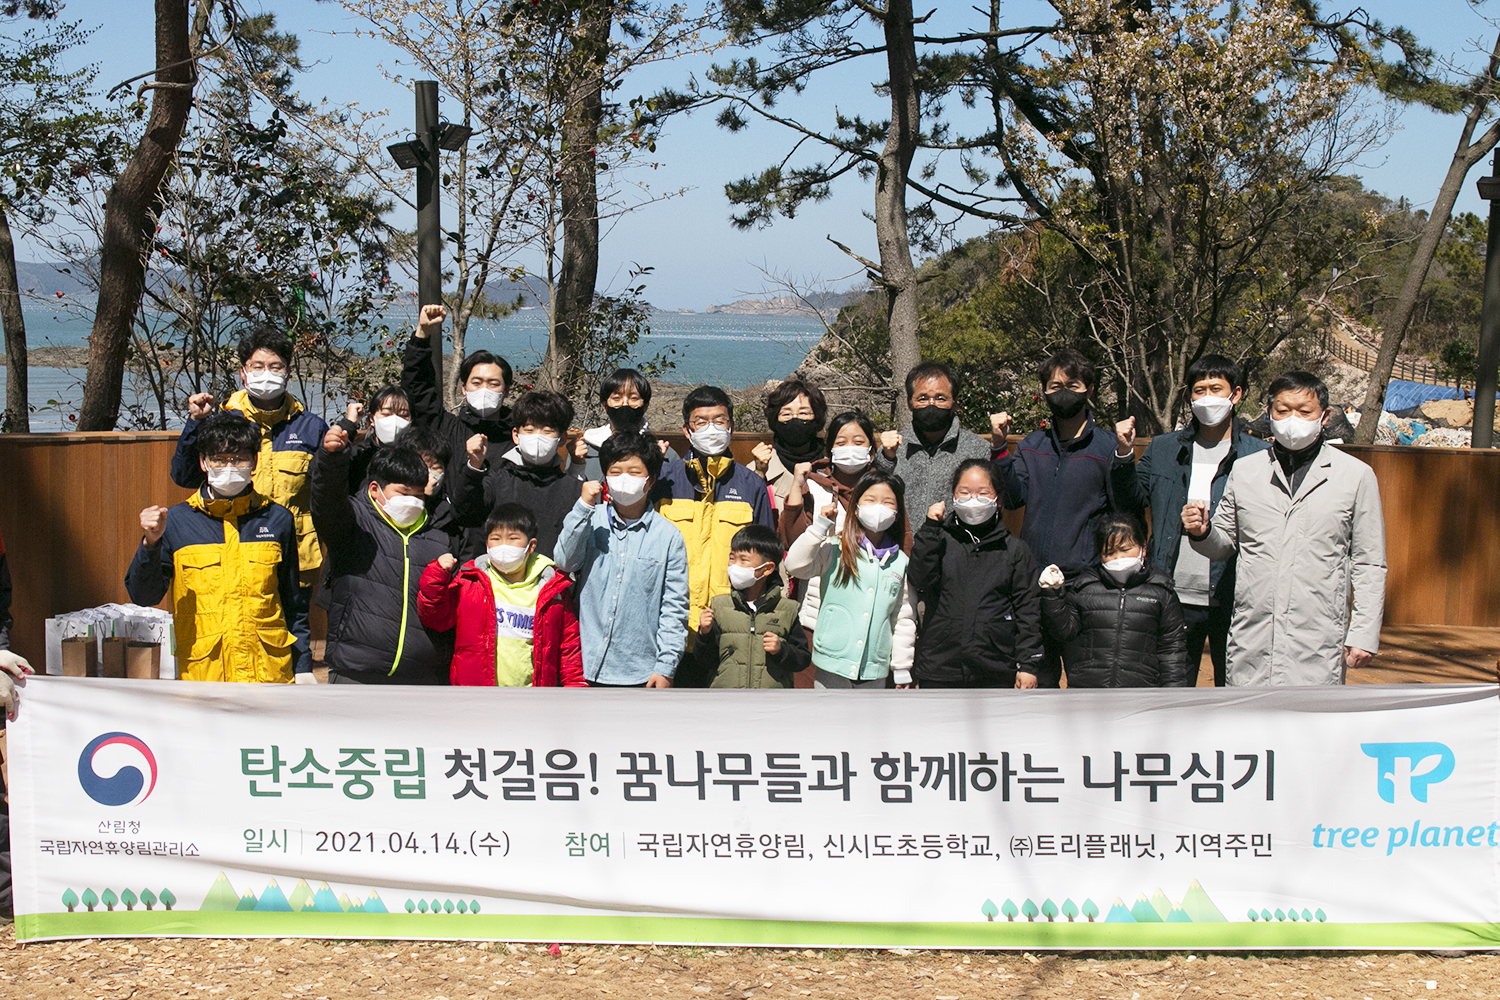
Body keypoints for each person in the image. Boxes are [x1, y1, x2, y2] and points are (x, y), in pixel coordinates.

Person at [1182, 370, 1386, 686]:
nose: (1293, 419)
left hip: (1316, 642)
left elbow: (1369, 563)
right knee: (1248, 727)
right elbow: (1223, 545)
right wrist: (1202, 532)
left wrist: (1363, 632)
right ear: (1270, 413)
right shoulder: (1246, 471)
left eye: (1304, 411)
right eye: (1283, 410)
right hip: (1253, 638)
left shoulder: (1355, 476)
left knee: (1311, 728)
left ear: (1325, 416)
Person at [170, 327, 326, 674]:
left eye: (275, 365)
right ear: (243, 371)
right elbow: (184, 476)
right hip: (230, 546)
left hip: (292, 549)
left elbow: (328, 492)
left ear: (288, 371)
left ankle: (297, 677)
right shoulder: (224, 420)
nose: (266, 373)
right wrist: (195, 423)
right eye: (257, 366)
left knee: (291, 627)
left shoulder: (311, 427)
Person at [1112, 354, 1270, 686]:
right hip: (1174, 594)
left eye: (1217, 388)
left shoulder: (1258, 455)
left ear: (1236, 394)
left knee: (1235, 690)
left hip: (1235, 595)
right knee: (1173, 689)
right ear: (1190, 397)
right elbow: (1132, 501)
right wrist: (1125, 454)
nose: (1208, 397)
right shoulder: (1165, 448)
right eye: (1200, 390)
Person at [128, 412, 306, 683]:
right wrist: (150, 544)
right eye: (219, 460)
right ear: (203, 462)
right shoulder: (177, 521)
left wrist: (303, 666)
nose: (230, 467)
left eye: (239, 459)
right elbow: (144, 595)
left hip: (270, 675)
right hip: (204, 678)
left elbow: (293, 601)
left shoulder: (277, 518)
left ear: (255, 462)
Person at [989, 348, 1119, 687]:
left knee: (1087, 684)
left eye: (1072, 384)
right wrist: (1001, 448)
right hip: (1034, 586)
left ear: (1089, 389)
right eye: (1054, 385)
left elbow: (1121, 507)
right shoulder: (1032, 446)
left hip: (1086, 588)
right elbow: (1014, 499)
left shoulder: (1106, 447)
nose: (1063, 392)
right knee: (1037, 684)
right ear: (1044, 391)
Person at [311, 430, 454, 684]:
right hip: (355, 674)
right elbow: (327, 500)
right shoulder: (353, 523)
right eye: (404, 492)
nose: (412, 502)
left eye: (419, 495)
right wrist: (332, 459)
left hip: (418, 678)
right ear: (376, 489)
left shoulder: (438, 540)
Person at [554, 431, 690, 687]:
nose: (624, 479)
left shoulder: (669, 537)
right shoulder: (590, 519)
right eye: (615, 472)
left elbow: (675, 608)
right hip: (581, 667)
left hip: (640, 673)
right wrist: (582, 507)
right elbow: (564, 561)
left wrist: (666, 668)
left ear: (651, 481)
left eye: (634, 472)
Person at [653, 385, 776, 641]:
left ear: (730, 428)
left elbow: (766, 555)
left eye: (719, 421)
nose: (712, 429)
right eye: (701, 422)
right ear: (687, 430)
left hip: (730, 624)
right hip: (670, 620)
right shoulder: (664, 480)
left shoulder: (751, 485)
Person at [908, 459, 1043, 689]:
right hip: (941, 665)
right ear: (953, 496)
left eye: (982, 493)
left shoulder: (1015, 550)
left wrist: (1028, 664)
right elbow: (919, 579)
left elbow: (1028, 609)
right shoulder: (938, 539)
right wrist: (930, 529)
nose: (973, 500)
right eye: (964, 493)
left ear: (998, 500)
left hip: (994, 667)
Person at [417, 503, 585, 687]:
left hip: (533, 700)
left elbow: (569, 648)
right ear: (487, 543)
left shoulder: (552, 589)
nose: (503, 546)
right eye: (496, 538)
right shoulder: (470, 581)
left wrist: (575, 689)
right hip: (476, 697)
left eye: (513, 538)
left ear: (531, 546)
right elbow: (436, 619)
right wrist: (436, 576)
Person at [784, 469, 918, 689]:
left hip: (874, 668)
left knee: (868, 723)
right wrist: (819, 528)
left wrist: (902, 667)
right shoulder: (835, 548)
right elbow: (795, 565)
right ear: (856, 508)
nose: (878, 508)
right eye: (871, 500)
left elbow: (903, 617)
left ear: (897, 513)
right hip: (831, 662)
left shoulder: (900, 561)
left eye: (888, 502)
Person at [1038, 512, 1189, 688]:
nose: (1118, 558)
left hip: (1140, 694)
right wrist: (1052, 595)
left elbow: (1172, 652)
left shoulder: (1161, 592)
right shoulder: (1085, 587)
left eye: (1125, 550)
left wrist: (1173, 694)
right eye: (1110, 553)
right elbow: (1064, 631)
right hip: (1088, 692)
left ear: (1143, 548)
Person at [452, 389, 584, 561]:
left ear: (561, 438)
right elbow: (465, 514)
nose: (537, 438)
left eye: (547, 431)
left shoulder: (573, 488)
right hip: (500, 583)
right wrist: (473, 467)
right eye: (529, 430)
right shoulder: (497, 480)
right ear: (516, 435)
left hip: (552, 584)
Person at [401, 302, 514, 492]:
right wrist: (422, 335)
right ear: (464, 389)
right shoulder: (447, 429)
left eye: (493, 384)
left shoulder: (517, 437)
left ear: (507, 391)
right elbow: (417, 390)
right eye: (476, 383)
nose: (484, 390)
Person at [873, 361, 991, 533]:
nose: (931, 404)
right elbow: (873, 492)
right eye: (922, 398)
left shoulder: (977, 449)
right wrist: (887, 458)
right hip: (901, 552)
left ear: (954, 403)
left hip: (954, 551)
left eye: (940, 398)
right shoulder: (893, 447)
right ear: (909, 403)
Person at [688, 525, 810, 689]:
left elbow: (802, 659)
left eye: (743, 560)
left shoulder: (787, 610)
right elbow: (705, 660)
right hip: (726, 702)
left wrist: (782, 650)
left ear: (767, 569)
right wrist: (704, 633)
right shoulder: (720, 606)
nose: (734, 566)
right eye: (732, 558)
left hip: (770, 704)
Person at [751, 379, 828, 516]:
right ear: (775, 420)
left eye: (803, 413)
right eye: (786, 414)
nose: (795, 418)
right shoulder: (755, 470)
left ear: (817, 419)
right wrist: (759, 474)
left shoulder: (832, 469)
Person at [572, 368, 661, 480]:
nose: (625, 403)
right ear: (605, 406)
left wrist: (657, 461)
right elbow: (571, 491)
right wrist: (576, 464)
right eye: (616, 398)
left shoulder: (664, 453)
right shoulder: (585, 450)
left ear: (645, 406)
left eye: (633, 398)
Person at [332, 386, 413, 493]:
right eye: (386, 414)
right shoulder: (358, 456)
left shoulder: (416, 458)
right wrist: (348, 425)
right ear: (371, 419)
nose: (394, 420)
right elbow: (324, 472)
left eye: (403, 415)